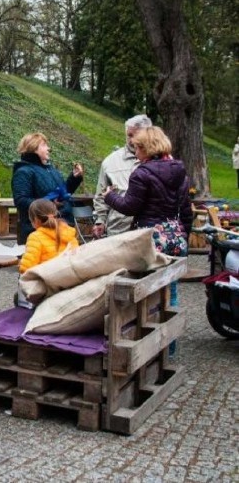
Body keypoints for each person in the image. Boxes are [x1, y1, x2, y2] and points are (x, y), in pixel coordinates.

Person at [102, 126, 193, 357]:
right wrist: (184, 237)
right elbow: (186, 211)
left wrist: (109, 196)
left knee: (146, 294)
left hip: (150, 240)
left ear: (146, 148)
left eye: (137, 148)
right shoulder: (180, 171)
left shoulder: (142, 173)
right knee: (170, 289)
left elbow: (129, 207)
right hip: (175, 237)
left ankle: (146, 351)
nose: (135, 152)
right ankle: (169, 350)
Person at [12, 132, 84, 244]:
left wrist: (74, 178)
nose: (48, 148)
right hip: (40, 233)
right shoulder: (23, 172)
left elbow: (63, 193)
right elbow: (21, 201)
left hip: (63, 228)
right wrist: (49, 205)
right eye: (44, 145)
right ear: (33, 147)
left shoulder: (51, 170)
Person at [91, 115, 152, 239]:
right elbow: (101, 195)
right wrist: (100, 221)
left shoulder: (159, 161)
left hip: (148, 232)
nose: (131, 140)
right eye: (129, 135)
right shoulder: (110, 162)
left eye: (136, 135)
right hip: (117, 232)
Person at [19, 199, 79, 274]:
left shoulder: (35, 237)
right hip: (69, 278)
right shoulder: (69, 233)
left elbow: (26, 268)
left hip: (46, 280)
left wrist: (21, 263)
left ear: (35, 220)